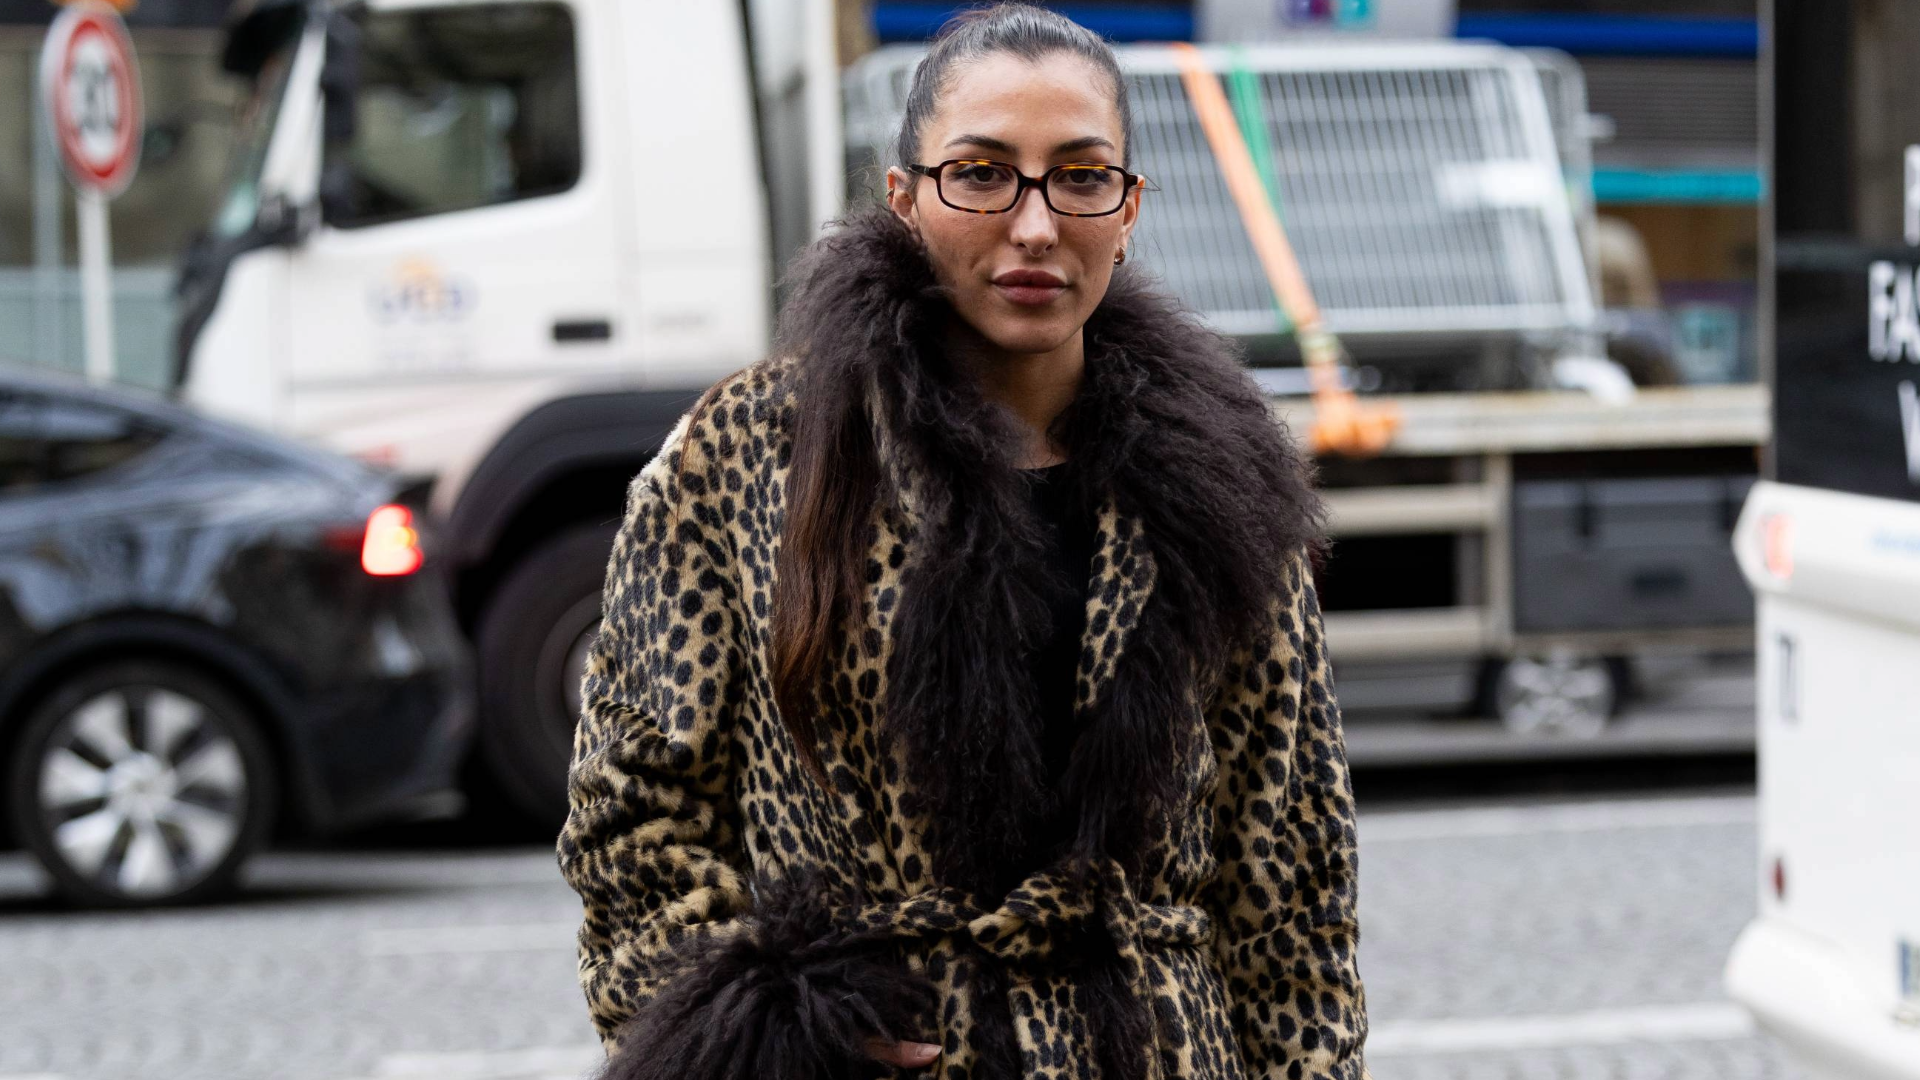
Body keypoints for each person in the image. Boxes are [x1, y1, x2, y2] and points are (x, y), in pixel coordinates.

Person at [556, 5, 1371, 1079]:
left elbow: (1294, 872)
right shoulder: (755, 454)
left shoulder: (1224, 481)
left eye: (1079, 178)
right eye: (981, 174)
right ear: (905, 199)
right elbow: (632, 816)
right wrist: (767, 1042)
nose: (1033, 226)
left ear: (1128, 209)